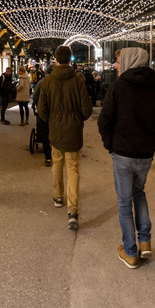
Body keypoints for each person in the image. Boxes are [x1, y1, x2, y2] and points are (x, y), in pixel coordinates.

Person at [98, 47, 155, 269]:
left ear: (130, 61)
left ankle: (130, 251)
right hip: (146, 153)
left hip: (123, 153)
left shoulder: (119, 87)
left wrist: (109, 145)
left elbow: (105, 120)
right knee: (139, 193)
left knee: (124, 202)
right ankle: (145, 241)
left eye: (119, 61)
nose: (117, 65)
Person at [37, 46, 94, 230]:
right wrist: (76, 119)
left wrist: (52, 120)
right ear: (70, 59)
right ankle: (73, 211)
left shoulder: (47, 81)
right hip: (74, 131)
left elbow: (41, 110)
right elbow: (87, 109)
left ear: (55, 58)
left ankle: (58, 196)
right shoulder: (77, 81)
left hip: (55, 129)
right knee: (73, 168)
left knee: (57, 163)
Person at [31, 67, 53, 167]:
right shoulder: (59, 82)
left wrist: (34, 104)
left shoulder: (41, 82)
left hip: (43, 111)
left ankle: (48, 157)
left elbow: (35, 96)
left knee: (44, 134)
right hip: (56, 113)